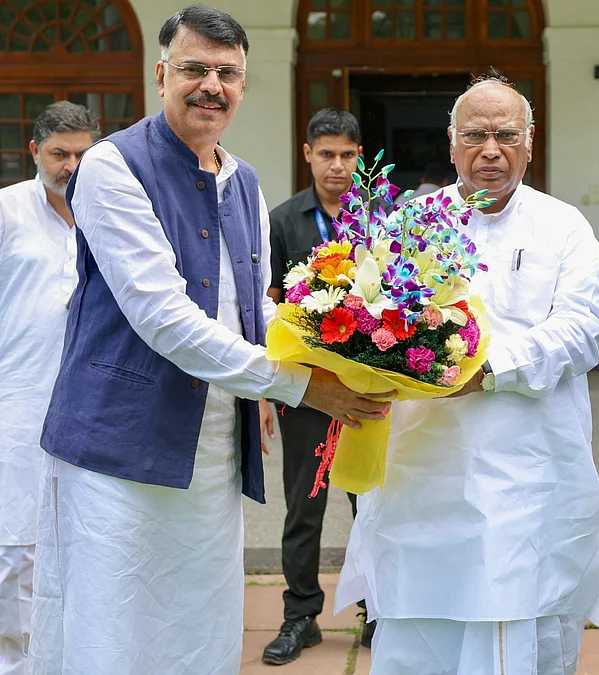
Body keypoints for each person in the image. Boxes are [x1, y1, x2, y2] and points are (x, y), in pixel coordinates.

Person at [30, 7, 392, 674]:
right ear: (161, 74)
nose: (211, 85)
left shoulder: (244, 179)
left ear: (244, 86)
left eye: (227, 73)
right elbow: (162, 316)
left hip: (214, 442)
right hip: (119, 443)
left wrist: (351, 349)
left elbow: (253, 306)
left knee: (200, 619)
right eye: (194, 69)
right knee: (114, 623)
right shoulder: (112, 166)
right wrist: (306, 386)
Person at [335, 76, 599, 674]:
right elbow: (365, 317)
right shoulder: (411, 222)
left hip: (527, 475)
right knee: (420, 632)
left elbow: (580, 329)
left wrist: (487, 368)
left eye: (506, 135)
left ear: (530, 143)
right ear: (451, 145)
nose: (490, 150)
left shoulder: (563, 226)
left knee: (518, 625)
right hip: (421, 477)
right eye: (475, 135)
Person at [260, 107, 366, 665]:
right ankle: (300, 615)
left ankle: (377, 608)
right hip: (305, 391)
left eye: (348, 155)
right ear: (307, 154)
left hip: (371, 390)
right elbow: (267, 310)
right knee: (305, 505)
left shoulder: (379, 218)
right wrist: (264, 390)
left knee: (372, 504)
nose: (338, 166)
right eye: (327, 154)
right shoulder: (281, 221)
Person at [0, 101, 97, 675]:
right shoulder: (7, 210)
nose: (71, 165)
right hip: (19, 395)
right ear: (35, 152)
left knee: (86, 541)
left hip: (92, 401)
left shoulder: (110, 214)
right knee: (16, 543)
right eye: (59, 153)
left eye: (82, 154)